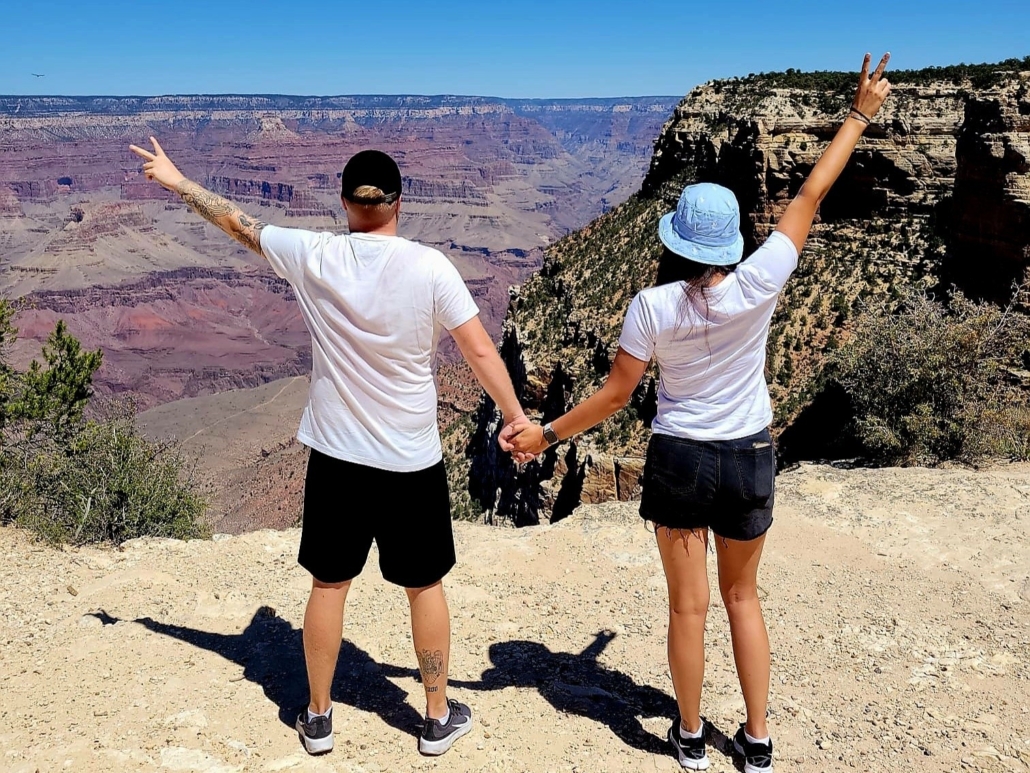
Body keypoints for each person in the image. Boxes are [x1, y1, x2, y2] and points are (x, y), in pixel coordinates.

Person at [502, 53, 893, 772]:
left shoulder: (650, 306)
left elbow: (618, 396)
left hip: (680, 459)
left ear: (674, 241)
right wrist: (859, 113)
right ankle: (757, 737)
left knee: (688, 609)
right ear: (732, 243)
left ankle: (686, 735)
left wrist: (547, 432)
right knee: (743, 597)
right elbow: (810, 193)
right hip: (749, 455)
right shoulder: (764, 278)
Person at [129, 141, 529, 757]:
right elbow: (478, 350)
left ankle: (318, 718)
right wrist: (513, 415)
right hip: (409, 461)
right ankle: (435, 715)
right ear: (401, 201)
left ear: (343, 201)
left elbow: (239, 223)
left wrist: (178, 182)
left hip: (337, 458)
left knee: (328, 586)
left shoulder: (313, 253)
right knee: (424, 587)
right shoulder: (431, 268)